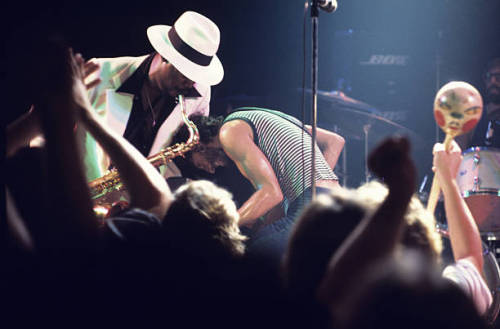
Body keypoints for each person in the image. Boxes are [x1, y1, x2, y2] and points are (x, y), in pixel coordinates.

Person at [317, 137, 493, 324]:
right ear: (425, 244)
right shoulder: (441, 305)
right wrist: (449, 180)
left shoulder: (342, 309)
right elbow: (470, 258)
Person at [172, 108, 345, 262]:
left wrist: (221, 225)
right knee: (258, 246)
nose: (211, 170)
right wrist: (257, 225)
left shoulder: (230, 131)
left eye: (202, 164)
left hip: (311, 203)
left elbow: (270, 194)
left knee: (252, 258)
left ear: (198, 146)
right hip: (333, 203)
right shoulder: (262, 118)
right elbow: (335, 141)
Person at [83, 11, 224, 181]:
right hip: (85, 188)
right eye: (185, 74)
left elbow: (181, 152)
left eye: (196, 77)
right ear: (165, 55)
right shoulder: (100, 73)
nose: (190, 84)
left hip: (141, 196)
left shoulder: (200, 91)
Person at [457, 57, 500, 149]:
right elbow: (459, 150)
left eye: (498, 77)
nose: (492, 81)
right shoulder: (473, 116)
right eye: (488, 77)